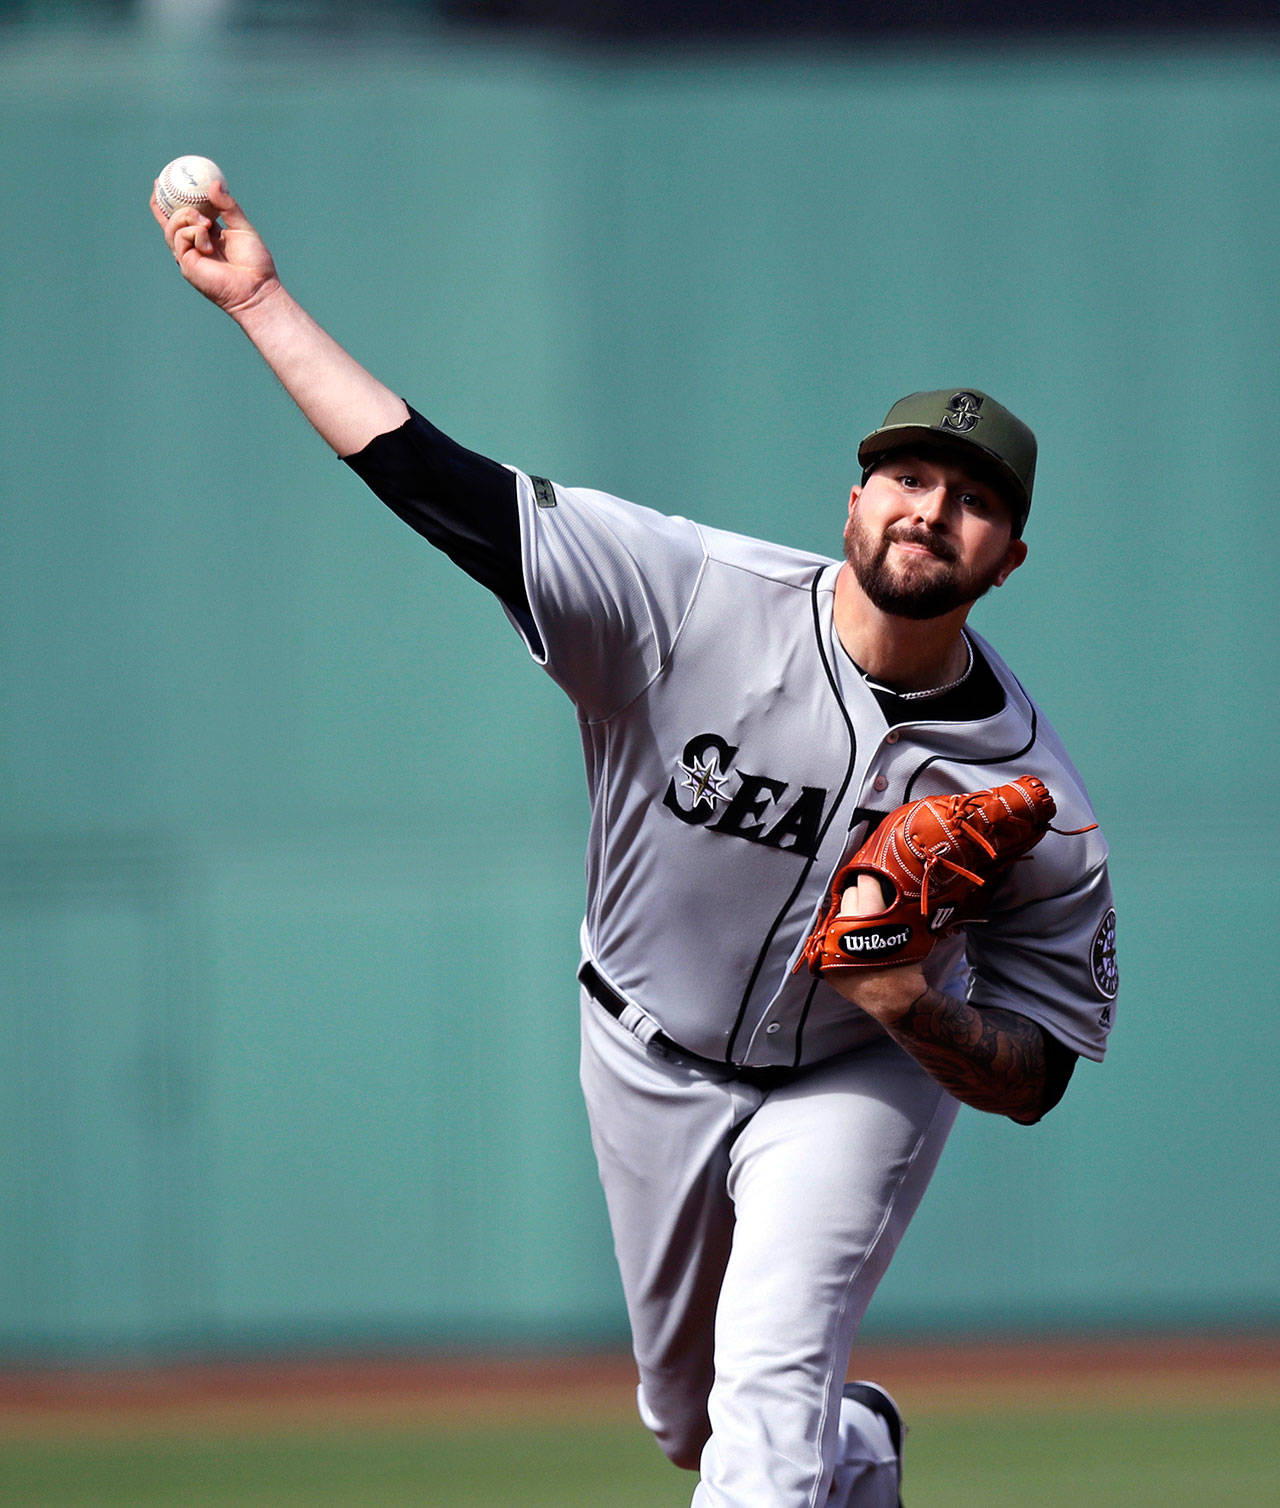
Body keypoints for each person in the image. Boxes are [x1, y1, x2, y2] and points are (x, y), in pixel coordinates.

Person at [152, 178, 1117, 1507]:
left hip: (858, 1075)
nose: (931, 508)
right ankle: (867, 1450)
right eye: (907, 475)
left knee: (763, 1414)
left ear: (1007, 557)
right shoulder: (688, 598)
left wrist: (910, 1006)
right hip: (643, 1045)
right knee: (689, 1421)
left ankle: (805, 1448)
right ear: (851, 502)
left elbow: (1039, 1072)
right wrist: (258, 300)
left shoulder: (1039, 802)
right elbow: (443, 487)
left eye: (973, 499)